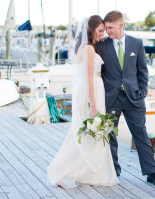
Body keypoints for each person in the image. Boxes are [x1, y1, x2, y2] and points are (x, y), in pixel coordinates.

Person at [47, 15, 119, 188]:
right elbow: (88, 77)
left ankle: (86, 172)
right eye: (100, 30)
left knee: (84, 132)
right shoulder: (88, 49)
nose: (102, 34)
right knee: (89, 133)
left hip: (87, 89)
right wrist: (93, 105)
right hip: (92, 90)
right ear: (91, 29)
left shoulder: (83, 47)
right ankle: (76, 172)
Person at [96, 10, 155, 187]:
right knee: (109, 135)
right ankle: (114, 171)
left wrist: (142, 91)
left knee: (141, 135)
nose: (107, 31)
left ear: (120, 25)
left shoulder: (136, 43)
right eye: (105, 28)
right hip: (111, 98)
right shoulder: (102, 45)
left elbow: (143, 71)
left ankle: (152, 173)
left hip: (134, 98)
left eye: (110, 27)